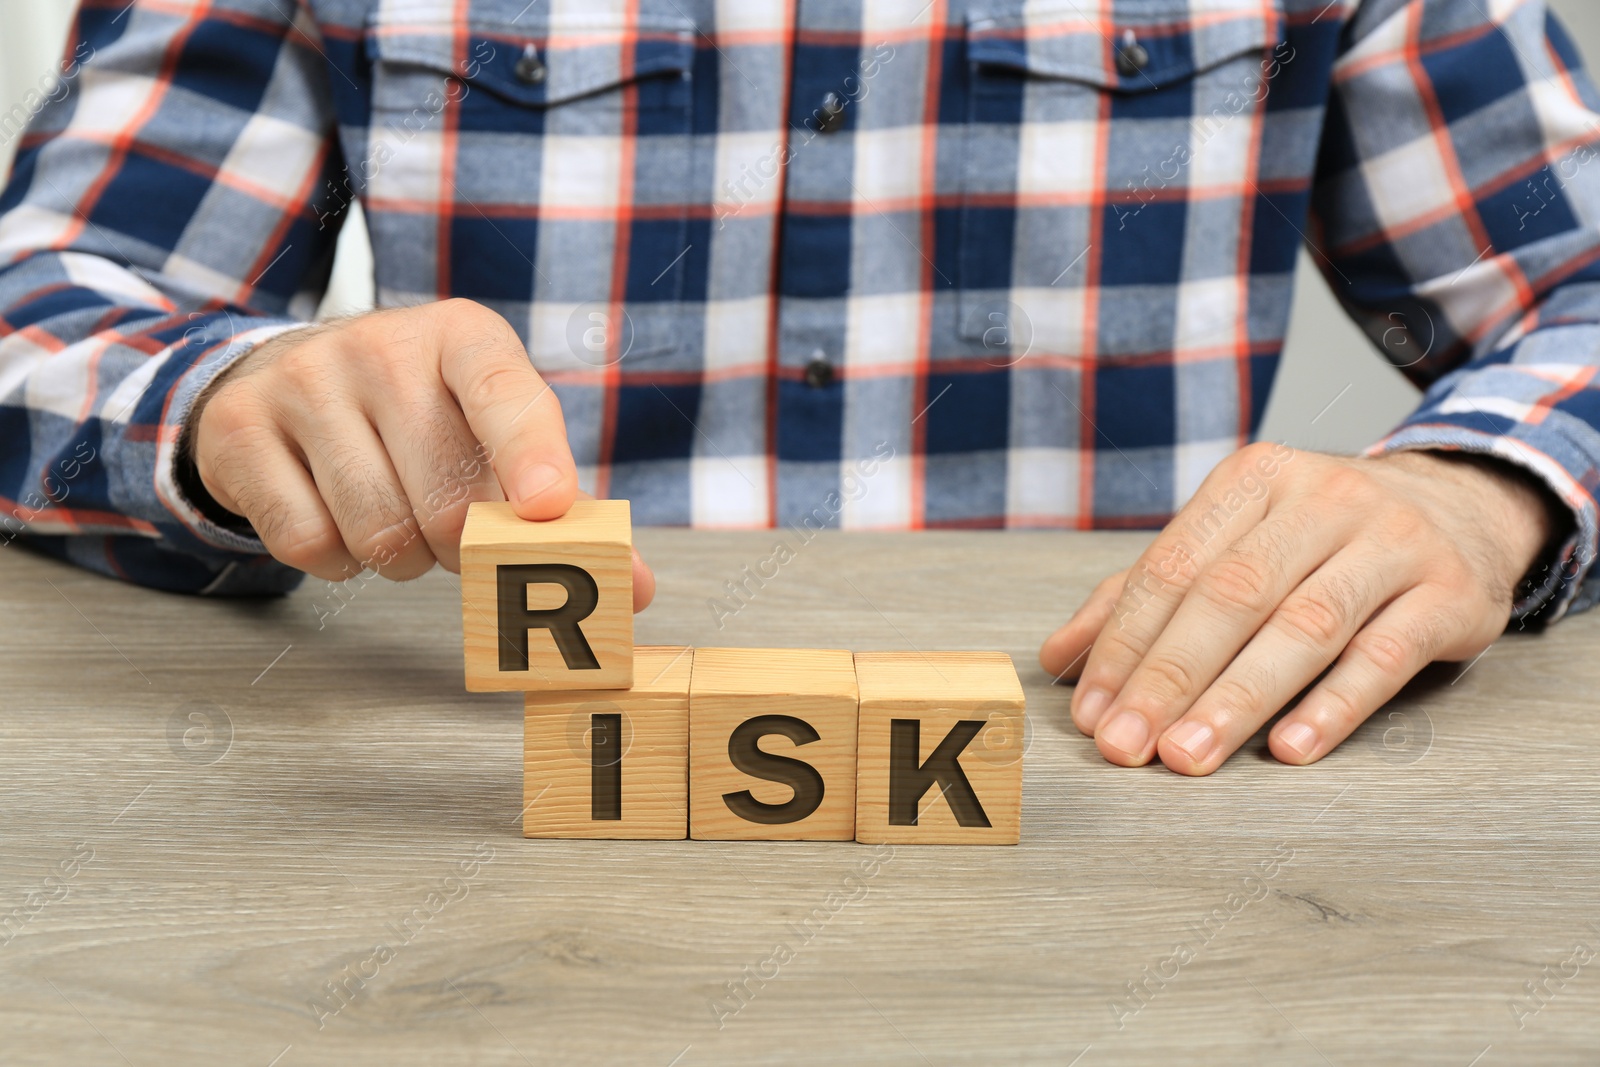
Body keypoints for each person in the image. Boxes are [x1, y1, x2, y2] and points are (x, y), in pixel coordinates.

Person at [2, 0, 1596, 777]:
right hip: (476, 799)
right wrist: (221, 406)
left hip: (1131, 794)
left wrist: (1476, 487)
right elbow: (47, 303)